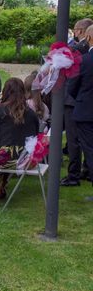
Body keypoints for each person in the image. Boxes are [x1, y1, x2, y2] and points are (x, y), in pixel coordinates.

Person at [63, 18, 93, 186]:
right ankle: (86, 170)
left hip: (76, 101)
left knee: (74, 140)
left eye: (75, 30)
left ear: (82, 31)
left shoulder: (78, 49)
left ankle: (73, 175)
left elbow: (74, 80)